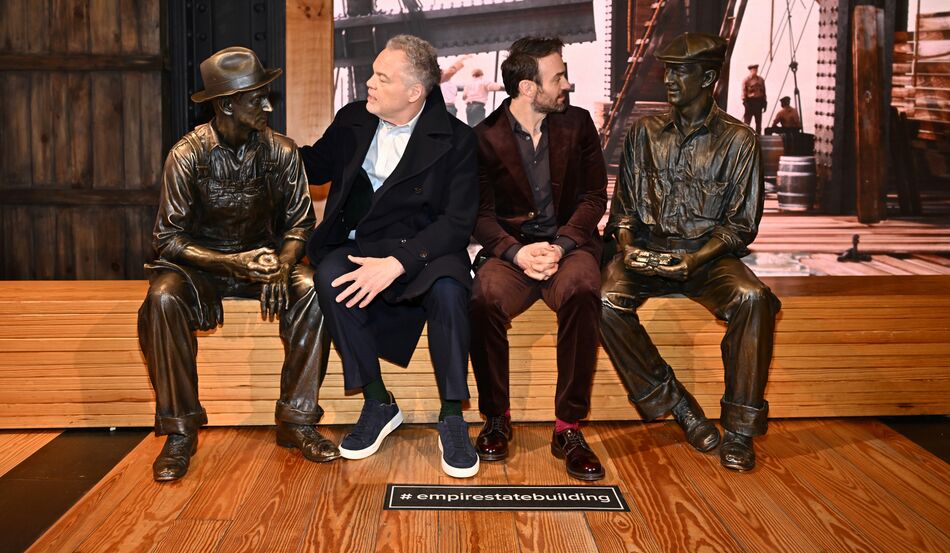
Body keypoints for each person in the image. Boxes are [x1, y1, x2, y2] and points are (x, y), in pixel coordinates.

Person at [138, 47, 337, 482]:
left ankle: (296, 420)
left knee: (315, 288)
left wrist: (283, 263)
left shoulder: (281, 152)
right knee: (162, 298)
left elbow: (300, 222)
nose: (268, 105)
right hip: (200, 266)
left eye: (267, 95)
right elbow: (167, 240)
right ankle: (180, 431)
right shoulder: (187, 155)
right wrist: (232, 264)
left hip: (262, 262)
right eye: (256, 98)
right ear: (226, 104)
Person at [298, 35, 481, 478]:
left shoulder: (457, 140)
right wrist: (262, 142)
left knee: (451, 291)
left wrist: (398, 263)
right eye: (373, 73)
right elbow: (313, 165)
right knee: (329, 276)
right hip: (361, 243)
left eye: (382, 77)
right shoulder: (353, 120)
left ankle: (453, 415)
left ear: (415, 92)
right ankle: (378, 402)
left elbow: (457, 224)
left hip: (426, 249)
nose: (370, 83)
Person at [600, 33, 781, 472]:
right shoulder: (643, 133)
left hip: (709, 258)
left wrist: (696, 260)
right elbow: (623, 211)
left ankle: (739, 429)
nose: (669, 79)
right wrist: (626, 249)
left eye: (681, 71)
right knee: (603, 300)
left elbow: (740, 226)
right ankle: (678, 405)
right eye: (668, 69)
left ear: (709, 78)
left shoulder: (739, 141)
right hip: (648, 252)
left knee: (753, 299)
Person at [469, 37, 608, 481]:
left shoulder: (579, 124)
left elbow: (593, 197)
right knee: (483, 298)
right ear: (528, 88)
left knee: (585, 290)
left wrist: (563, 244)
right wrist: (516, 251)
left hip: (568, 248)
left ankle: (568, 427)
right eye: (558, 77)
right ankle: (497, 417)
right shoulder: (483, 138)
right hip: (511, 252)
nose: (567, 84)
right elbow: (479, 214)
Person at [742, 63, 767, 134]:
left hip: (759, 102)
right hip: (750, 102)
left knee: (758, 122)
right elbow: (743, 92)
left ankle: (758, 136)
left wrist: (765, 103)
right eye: (753, 70)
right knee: (747, 121)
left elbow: (764, 92)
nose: (755, 71)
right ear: (750, 70)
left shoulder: (761, 80)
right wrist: (745, 102)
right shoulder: (746, 80)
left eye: (756, 70)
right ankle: (746, 136)